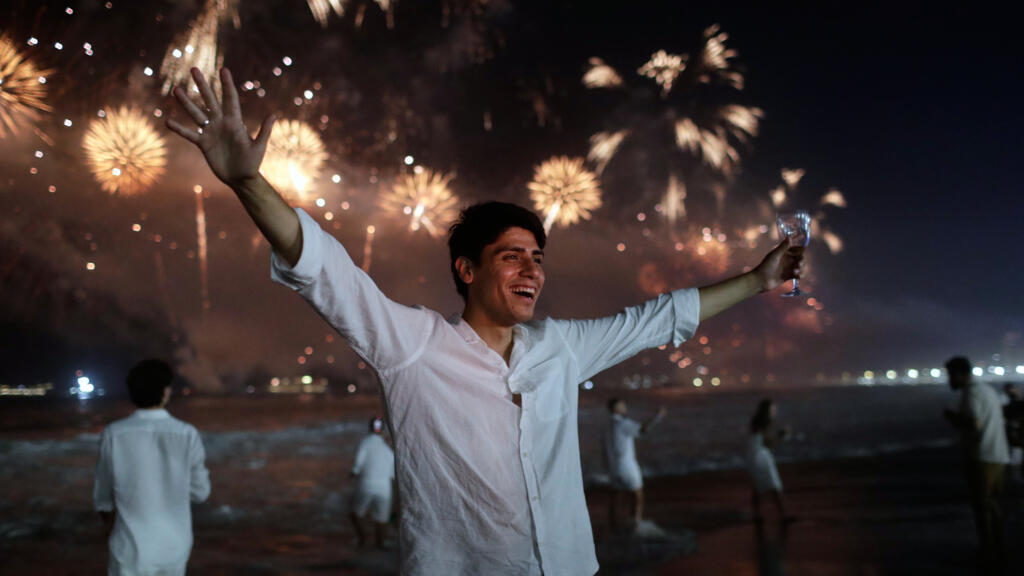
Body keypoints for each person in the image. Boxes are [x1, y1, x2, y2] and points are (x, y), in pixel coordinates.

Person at [165, 67, 805, 576]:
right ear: (467, 270)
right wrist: (248, 182)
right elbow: (327, 270)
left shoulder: (561, 348)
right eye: (512, 256)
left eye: (537, 257)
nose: (532, 270)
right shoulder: (413, 346)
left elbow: (660, 317)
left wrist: (757, 280)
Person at [93, 359, 210, 576]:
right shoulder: (187, 434)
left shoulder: (114, 434)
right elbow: (200, 493)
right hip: (174, 550)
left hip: (128, 551)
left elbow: (102, 498)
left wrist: (110, 529)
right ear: (166, 392)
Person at [943, 356, 1009, 573]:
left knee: (982, 508)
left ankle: (988, 554)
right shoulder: (987, 390)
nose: (949, 380)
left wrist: (953, 418)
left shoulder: (971, 393)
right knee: (994, 506)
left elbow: (974, 423)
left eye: (950, 375)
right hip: (998, 455)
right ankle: (1000, 550)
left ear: (961, 374)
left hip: (982, 457)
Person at [604, 398, 666, 532]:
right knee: (637, 495)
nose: (625, 408)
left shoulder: (608, 425)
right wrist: (658, 417)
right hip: (627, 466)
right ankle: (635, 525)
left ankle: (613, 527)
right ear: (616, 409)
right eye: (622, 406)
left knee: (615, 497)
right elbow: (643, 430)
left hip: (614, 467)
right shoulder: (623, 424)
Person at [351, 416, 396, 548]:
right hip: (384, 487)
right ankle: (380, 545)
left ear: (370, 428)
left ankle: (362, 540)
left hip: (366, 484)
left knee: (355, 514)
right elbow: (393, 472)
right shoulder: (388, 448)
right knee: (381, 519)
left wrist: (353, 472)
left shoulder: (365, 443)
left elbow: (358, 463)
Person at [747, 398, 791, 525]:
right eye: (773, 409)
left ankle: (758, 515)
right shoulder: (763, 423)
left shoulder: (757, 422)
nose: (775, 411)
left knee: (758, 486)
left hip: (754, 455)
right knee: (774, 485)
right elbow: (767, 442)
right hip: (760, 456)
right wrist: (782, 434)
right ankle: (783, 515)